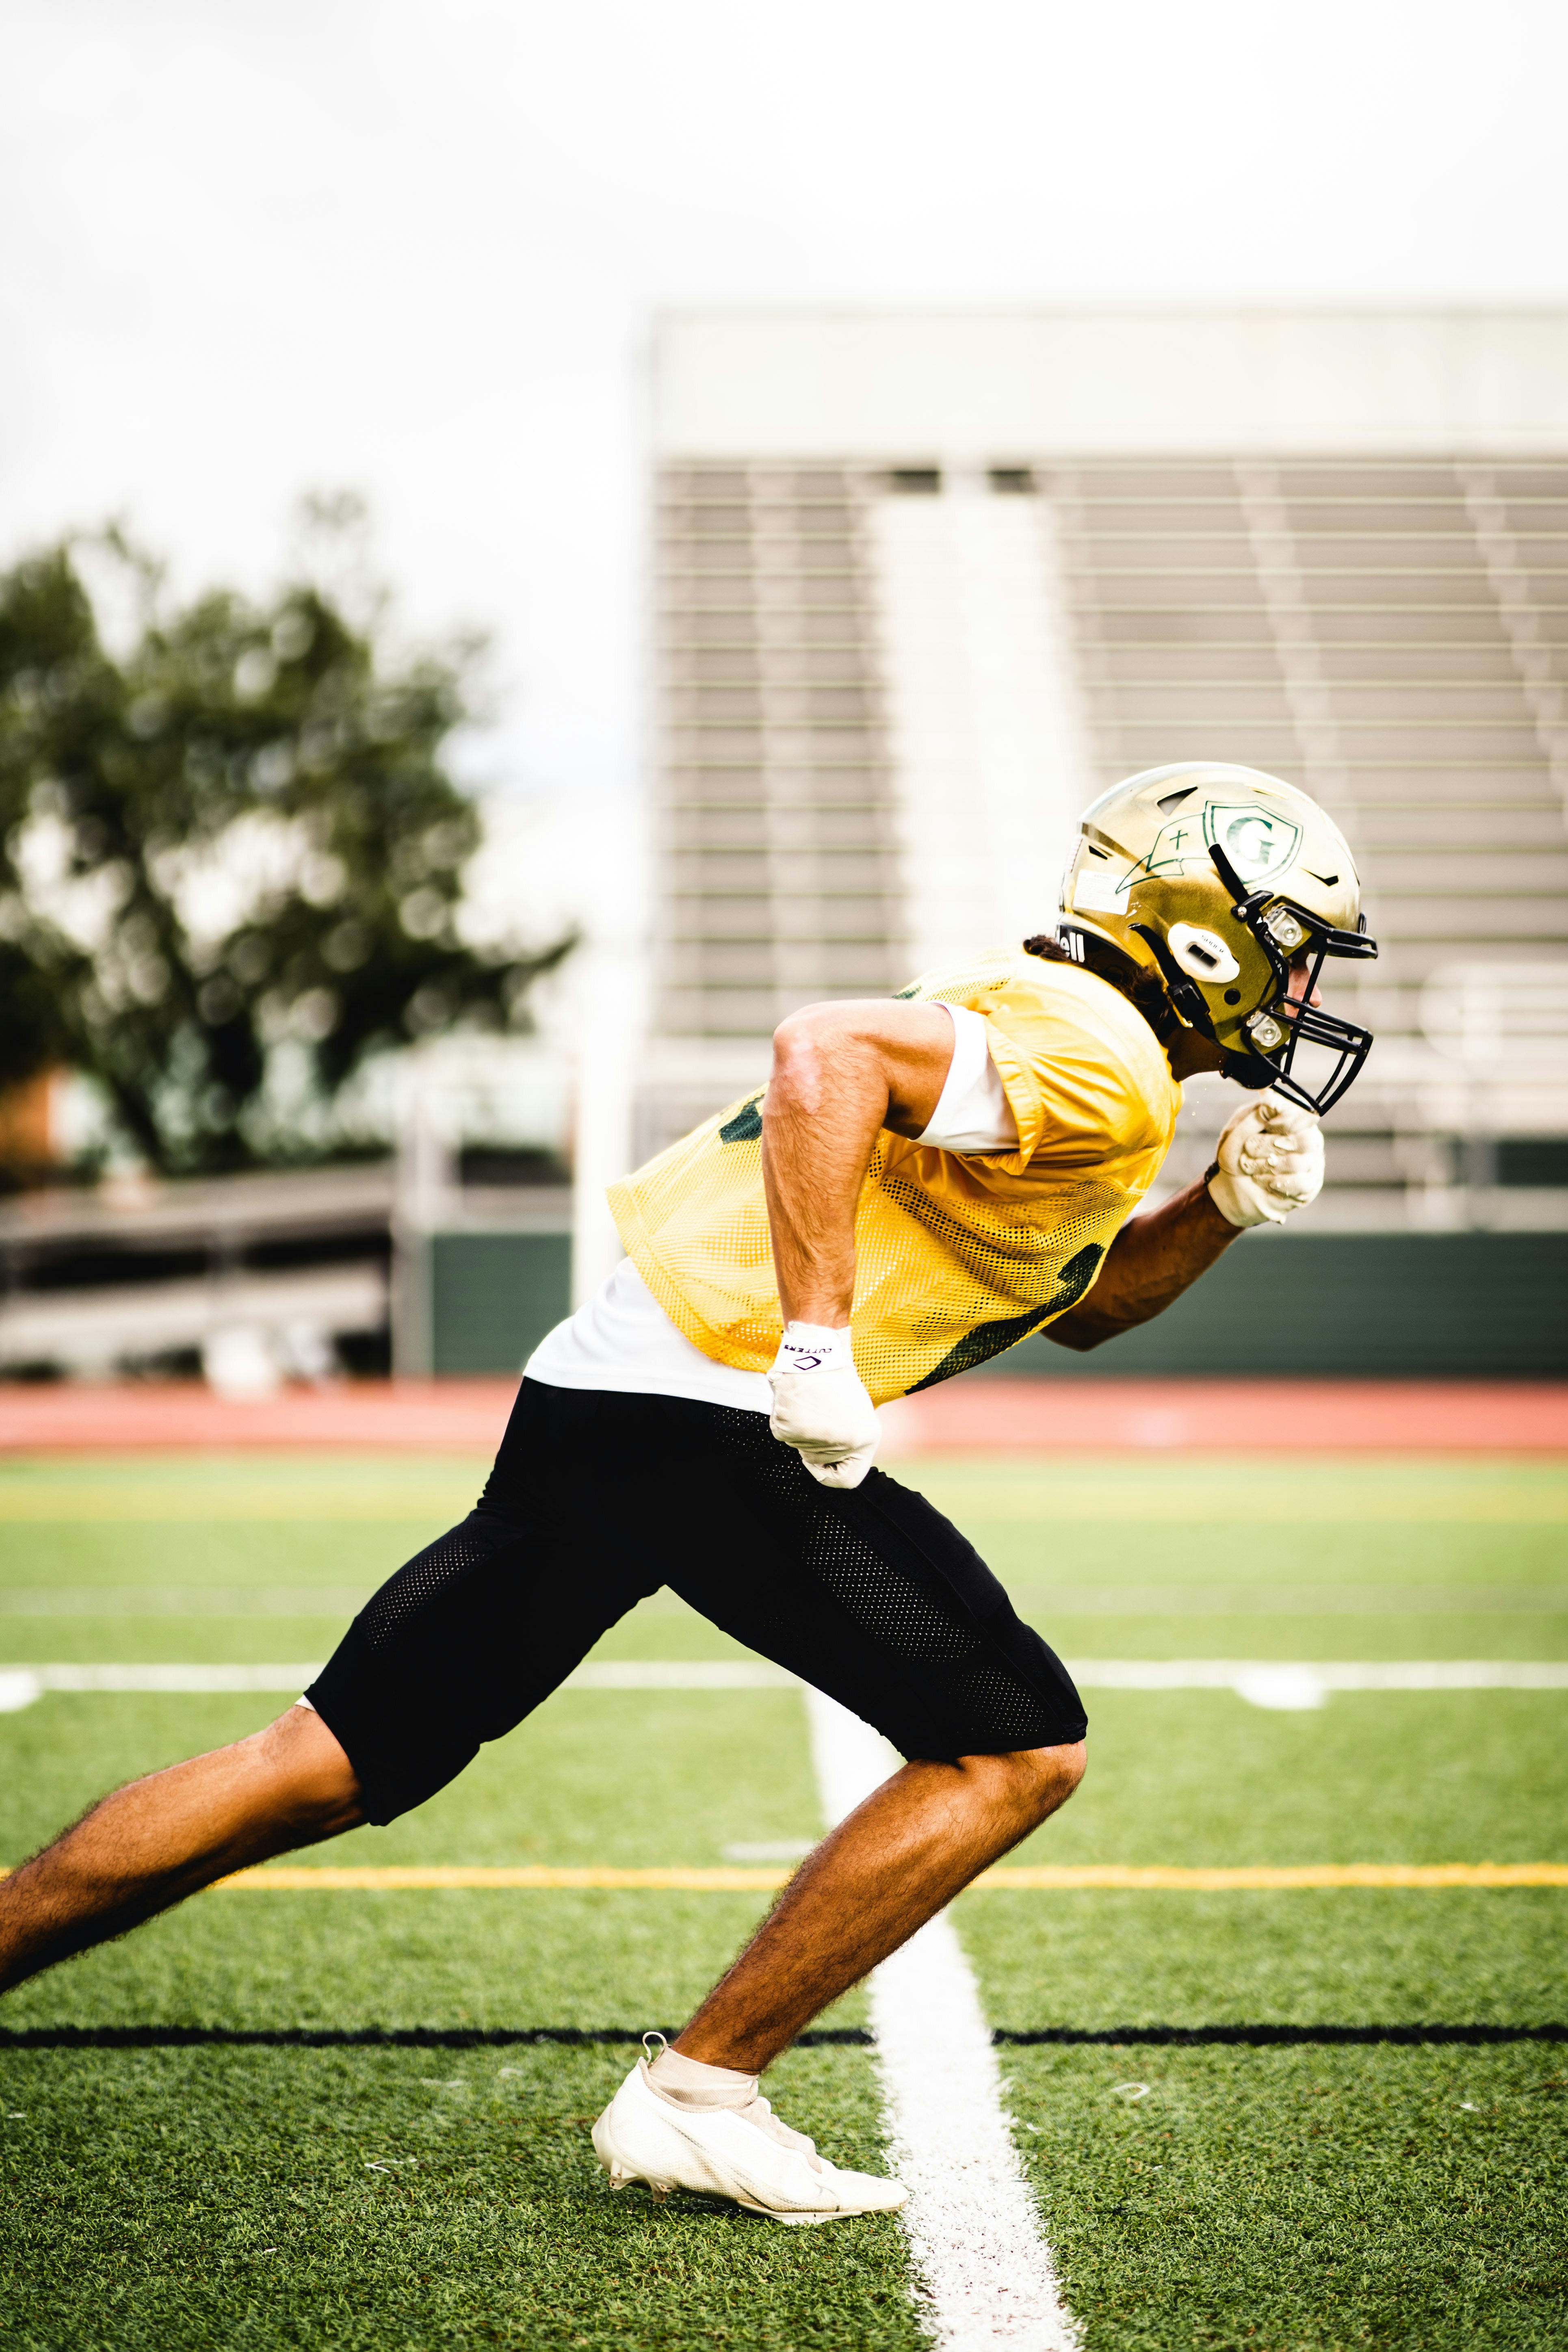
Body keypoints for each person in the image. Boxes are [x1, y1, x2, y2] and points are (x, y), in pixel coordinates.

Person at [0, 762, 1377, 2224]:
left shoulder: (1065, 1027)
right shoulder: (1102, 1053)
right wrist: (816, 1340)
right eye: (1291, 950)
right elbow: (823, 1053)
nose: (1300, 992)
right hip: (711, 1411)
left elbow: (1082, 1309)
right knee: (1011, 1751)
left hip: (612, 1392)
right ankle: (698, 2097)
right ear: (1205, 935)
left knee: (324, 1762)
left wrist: (1218, 1208)